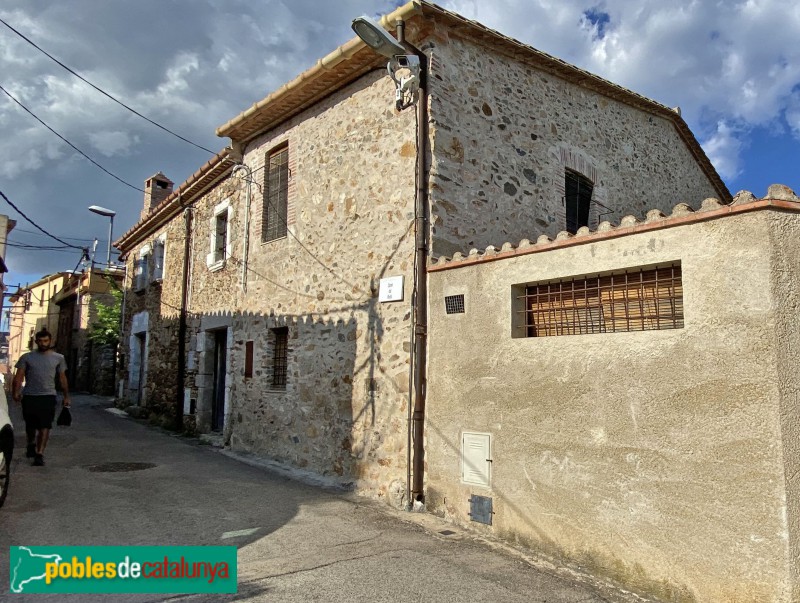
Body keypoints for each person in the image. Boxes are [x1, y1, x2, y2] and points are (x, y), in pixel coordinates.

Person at [11, 329, 70, 466]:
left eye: (46, 341)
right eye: (41, 341)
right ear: (36, 342)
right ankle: (31, 443)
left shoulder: (58, 358)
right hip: (30, 396)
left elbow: (62, 378)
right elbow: (19, 376)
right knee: (30, 424)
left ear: (50, 341)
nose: (43, 343)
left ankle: (39, 453)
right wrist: (16, 391)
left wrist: (66, 396)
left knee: (45, 425)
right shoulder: (27, 357)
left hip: (48, 396)